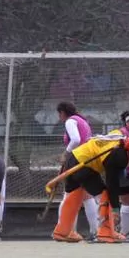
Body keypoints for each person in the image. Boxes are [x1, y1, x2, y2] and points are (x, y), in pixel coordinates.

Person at [52, 129, 129, 243]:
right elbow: (112, 183)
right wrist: (116, 208)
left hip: (73, 158)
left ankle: (63, 231)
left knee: (74, 194)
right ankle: (105, 232)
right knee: (105, 194)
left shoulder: (117, 136)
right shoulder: (119, 157)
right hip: (83, 165)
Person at [56, 101, 98, 238]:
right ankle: (95, 231)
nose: (59, 117)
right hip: (87, 160)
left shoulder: (70, 122)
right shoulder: (82, 121)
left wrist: (65, 154)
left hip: (76, 160)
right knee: (87, 196)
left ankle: (64, 229)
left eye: (59, 114)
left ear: (62, 112)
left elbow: (75, 139)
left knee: (68, 195)